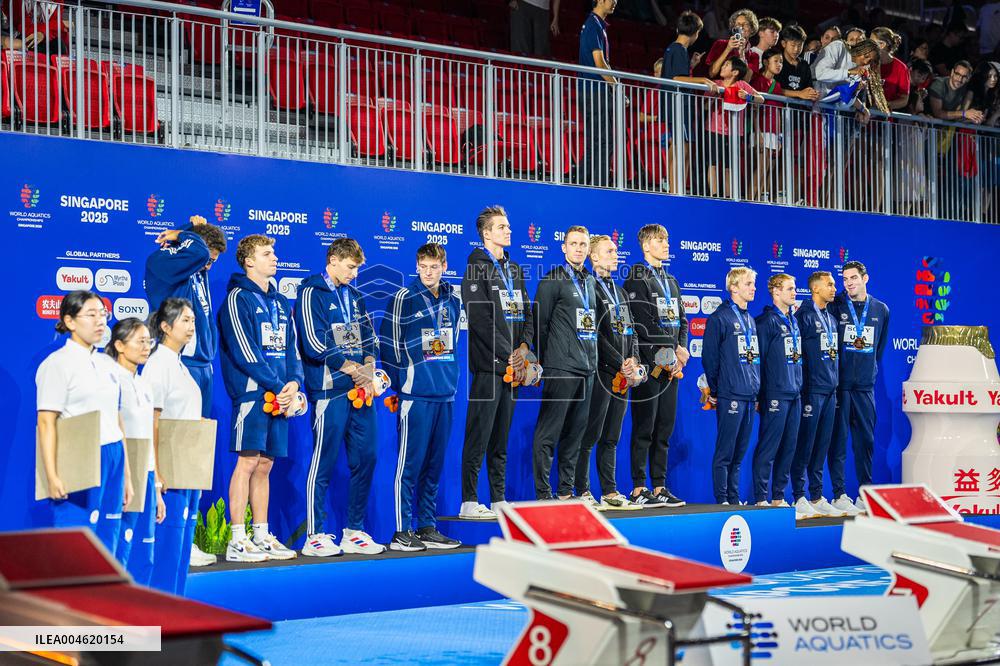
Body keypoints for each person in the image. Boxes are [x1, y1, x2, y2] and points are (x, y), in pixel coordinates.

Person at [146, 214, 226, 568]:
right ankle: (168, 537)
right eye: (208, 257)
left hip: (199, 366)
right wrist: (185, 233)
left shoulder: (193, 267)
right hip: (183, 368)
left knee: (191, 458)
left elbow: (197, 252)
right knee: (174, 454)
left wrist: (192, 229)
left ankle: (184, 537)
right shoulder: (162, 263)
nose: (208, 265)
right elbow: (193, 251)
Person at [294, 238, 384, 556]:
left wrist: (369, 370)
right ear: (333, 260)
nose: (355, 274)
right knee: (324, 462)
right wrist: (353, 369)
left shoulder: (355, 296)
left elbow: (370, 340)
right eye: (350, 267)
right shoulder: (311, 293)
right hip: (329, 391)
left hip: (360, 392)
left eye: (357, 267)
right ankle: (315, 535)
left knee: (368, 457)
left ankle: (354, 531)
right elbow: (314, 344)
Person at [219, 234, 303, 562]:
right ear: (249, 261)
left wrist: (293, 384)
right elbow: (244, 351)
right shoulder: (238, 299)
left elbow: (292, 349)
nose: (275, 258)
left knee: (266, 465)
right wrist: (276, 385)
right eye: (267, 254)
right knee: (248, 461)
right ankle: (237, 538)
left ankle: (262, 534)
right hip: (254, 393)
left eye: (274, 253)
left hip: (280, 395)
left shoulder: (282, 302)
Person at [379, 243, 463, 552]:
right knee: (409, 465)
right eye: (423, 267)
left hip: (445, 394)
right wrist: (402, 385)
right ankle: (402, 531)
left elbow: (451, 342)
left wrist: (449, 380)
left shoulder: (453, 300)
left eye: (434, 267)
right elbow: (388, 344)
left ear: (444, 266)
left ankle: (427, 527)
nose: (428, 272)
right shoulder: (405, 297)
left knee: (434, 465)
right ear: (417, 267)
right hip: (415, 395)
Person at [36, 291, 132, 555]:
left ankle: (104, 596)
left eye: (103, 314)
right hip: (78, 455)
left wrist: (126, 475)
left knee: (108, 539)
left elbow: (116, 418)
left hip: (113, 454)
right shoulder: (56, 364)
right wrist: (52, 475)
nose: (100, 321)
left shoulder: (108, 364)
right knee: (76, 542)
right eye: (91, 315)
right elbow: (46, 422)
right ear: (69, 321)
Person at [143, 298, 223, 594]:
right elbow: (151, 422)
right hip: (169, 479)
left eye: (193, 320)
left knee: (179, 558)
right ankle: (157, 625)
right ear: (165, 327)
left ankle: (174, 624)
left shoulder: (181, 366)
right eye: (185, 321)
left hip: (188, 475)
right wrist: (157, 476)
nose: (192, 326)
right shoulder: (157, 365)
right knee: (166, 555)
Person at [461, 206, 534, 519]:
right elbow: (480, 318)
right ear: (486, 233)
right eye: (501, 227)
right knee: (479, 434)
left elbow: (528, 313)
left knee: (501, 436)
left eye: (508, 226)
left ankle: (498, 498)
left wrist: (524, 350)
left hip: (513, 368)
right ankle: (468, 500)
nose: (508, 231)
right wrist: (510, 355)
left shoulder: (514, 270)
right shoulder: (475, 269)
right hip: (490, 367)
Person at [531, 226, 598, 501]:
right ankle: (543, 493)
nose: (579, 249)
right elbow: (539, 325)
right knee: (549, 433)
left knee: (576, 435)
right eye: (574, 244)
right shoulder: (552, 280)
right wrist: (550, 362)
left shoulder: (591, 282)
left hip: (588, 370)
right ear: (564, 247)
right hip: (561, 369)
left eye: (583, 244)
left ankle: (565, 492)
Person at [623, 224, 688, 507]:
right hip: (649, 363)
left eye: (667, 239)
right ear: (646, 245)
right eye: (660, 240)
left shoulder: (670, 279)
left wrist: (681, 348)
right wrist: (671, 348)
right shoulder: (637, 277)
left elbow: (682, 320)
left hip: (671, 365)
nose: (666, 244)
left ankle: (659, 486)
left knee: (664, 428)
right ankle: (639, 488)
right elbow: (643, 323)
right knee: (644, 427)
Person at [578, 235, 641, 509]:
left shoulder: (621, 291)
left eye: (616, 251)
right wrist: (620, 362)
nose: (616, 255)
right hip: (602, 372)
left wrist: (634, 361)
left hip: (622, 376)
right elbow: (596, 334)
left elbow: (633, 333)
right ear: (594, 256)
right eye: (610, 251)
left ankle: (610, 491)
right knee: (589, 434)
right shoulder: (589, 287)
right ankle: (582, 490)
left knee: (612, 436)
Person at [828, 261, 890, 514]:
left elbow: (878, 350)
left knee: (865, 441)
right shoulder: (835, 307)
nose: (849, 283)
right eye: (845, 279)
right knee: (838, 442)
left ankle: (865, 493)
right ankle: (839, 494)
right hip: (840, 386)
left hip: (865, 388)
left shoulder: (881, 309)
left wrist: (868, 374)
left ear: (866, 278)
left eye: (853, 278)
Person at [108, 318, 164, 586]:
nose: (146, 347)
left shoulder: (143, 384)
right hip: (122, 474)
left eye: (148, 341)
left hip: (146, 475)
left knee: (145, 554)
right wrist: (125, 480)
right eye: (139, 341)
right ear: (119, 345)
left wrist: (155, 489)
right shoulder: (110, 381)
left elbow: (148, 442)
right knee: (121, 549)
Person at [702, 267, 760, 505]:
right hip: (730, 394)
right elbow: (710, 359)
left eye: (753, 284)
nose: (753, 288)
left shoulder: (750, 319)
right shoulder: (719, 318)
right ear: (734, 287)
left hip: (749, 395)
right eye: (748, 284)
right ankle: (722, 499)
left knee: (739, 454)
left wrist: (756, 391)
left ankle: (734, 499)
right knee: (725, 452)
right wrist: (716, 391)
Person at [790, 271, 844, 520]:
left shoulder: (830, 318)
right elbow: (796, 356)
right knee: (806, 446)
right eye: (830, 284)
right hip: (811, 392)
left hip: (830, 391)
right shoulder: (803, 316)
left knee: (822, 447)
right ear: (815, 289)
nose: (834, 288)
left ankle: (816, 496)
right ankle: (799, 495)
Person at [750, 274, 802, 508]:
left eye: (795, 289)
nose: (794, 293)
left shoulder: (794, 320)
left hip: (795, 393)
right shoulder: (765, 322)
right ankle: (761, 497)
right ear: (776, 292)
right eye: (790, 289)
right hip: (774, 394)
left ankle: (778, 496)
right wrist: (760, 395)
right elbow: (756, 361)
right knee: (769, 447)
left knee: (789, 448)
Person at [658, 10, 720, 192]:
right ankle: (676, 190)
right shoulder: (678, 49)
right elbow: (676, 78)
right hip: (678, 106)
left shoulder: (675, 49)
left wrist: (691, 65)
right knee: (682, 149)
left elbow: (677, 73)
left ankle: (674, 189)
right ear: (696, 33)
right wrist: (702, 80)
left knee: (679, 147)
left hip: (676, 105)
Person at [707, 57, 764, 198]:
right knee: (713, 164)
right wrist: (713, 95)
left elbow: (761, 99)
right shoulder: (717, 84)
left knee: (729, 167)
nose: (722, 67)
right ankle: (713, 195)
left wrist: (748, 97)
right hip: (714, 130)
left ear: (735, 72)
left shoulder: (742, 85)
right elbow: (704, 105)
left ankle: (728, 197)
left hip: (735, 133)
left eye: (726, 65)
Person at [578, 0, 618, 188]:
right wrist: (617, 87)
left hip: (596, 92)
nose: (615, 2)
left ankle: (581, 182)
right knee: (603, 141)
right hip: (595, 92)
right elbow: (600, 63)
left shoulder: (597, 24)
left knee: (598, 141)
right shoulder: (593, 24)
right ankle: (599, 185)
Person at [750, 48, 785, 200]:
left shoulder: (776, 84)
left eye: (781, 62)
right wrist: (758, 134)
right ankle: (750, 201)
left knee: (768, 169)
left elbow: (778, 112)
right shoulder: (758, 81)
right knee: (761, 169)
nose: (779, 65)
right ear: (765, 62)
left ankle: (759, 201)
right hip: (762, 132)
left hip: (774, 134)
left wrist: (780, 137)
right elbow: (754, 111)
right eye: (776, 61)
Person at [704, 8, 759, 79]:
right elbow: (712, 73)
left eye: (745, 24)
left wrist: (742, 54)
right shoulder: (720, 44)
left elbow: (746, 80)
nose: (741, 27)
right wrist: (728, 49)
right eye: (738, 24)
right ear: (734, 28)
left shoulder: (754, 56)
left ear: (752, 29)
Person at [776, 24, 820, 101]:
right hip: (780, 109)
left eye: (800, 45)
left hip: (799, 111)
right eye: (793, 45)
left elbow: (808, 88)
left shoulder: (804, 65)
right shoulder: (777, 61)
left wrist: (813, 94)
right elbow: (773, 88)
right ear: (784, 44)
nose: (796, 49)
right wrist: (799, 93)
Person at [872, 27, 910, 110]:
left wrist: (886, 105)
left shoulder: (901, 68)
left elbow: (904, 100)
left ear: (883, 45)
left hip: (884, 120)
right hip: (859, 117)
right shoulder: (866, 62)